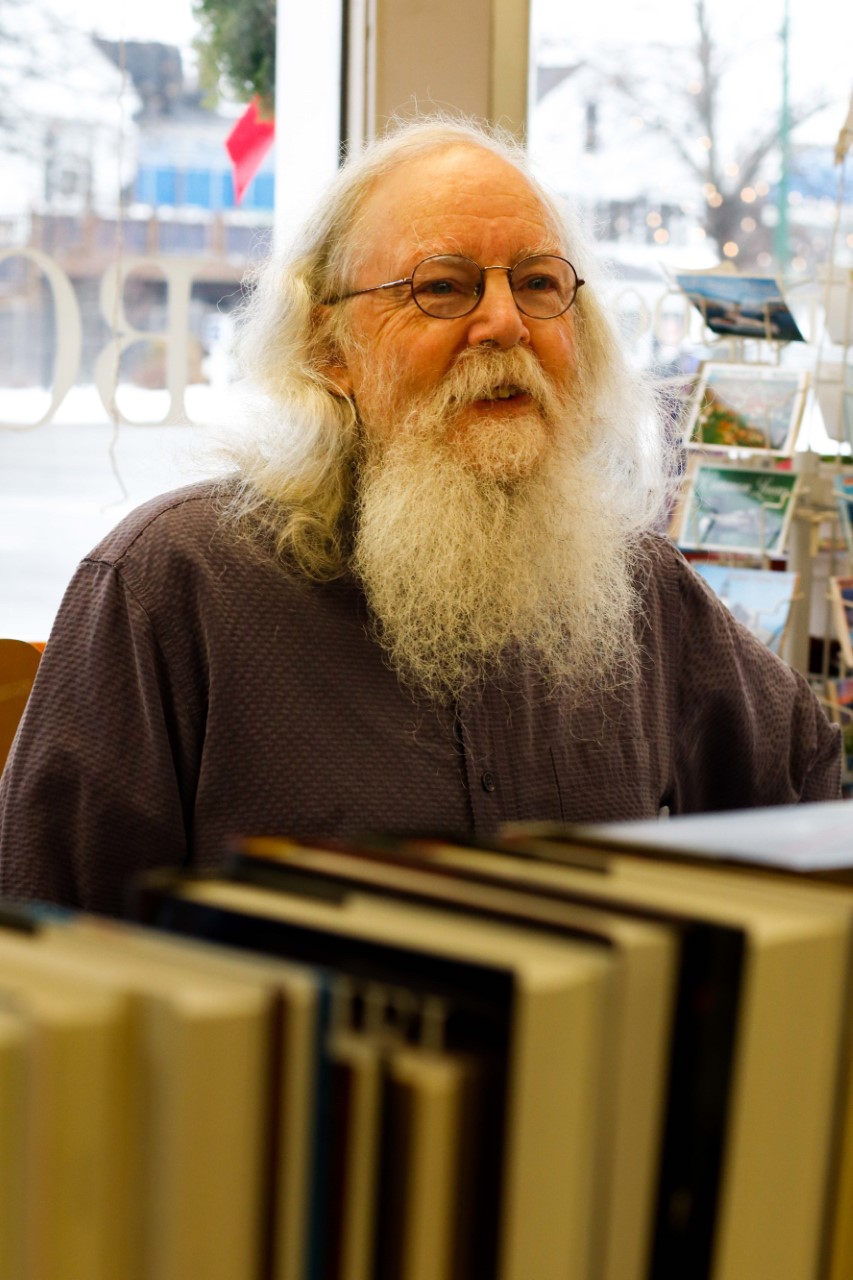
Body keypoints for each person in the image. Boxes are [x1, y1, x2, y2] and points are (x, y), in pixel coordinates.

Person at [0, 117, 841, 915]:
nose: (505, 323)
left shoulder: (640, 592)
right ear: (328, 348)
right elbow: (42, 950)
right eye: (443, 288)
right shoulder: (170, 586)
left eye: (540, 284)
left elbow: (807, 786)